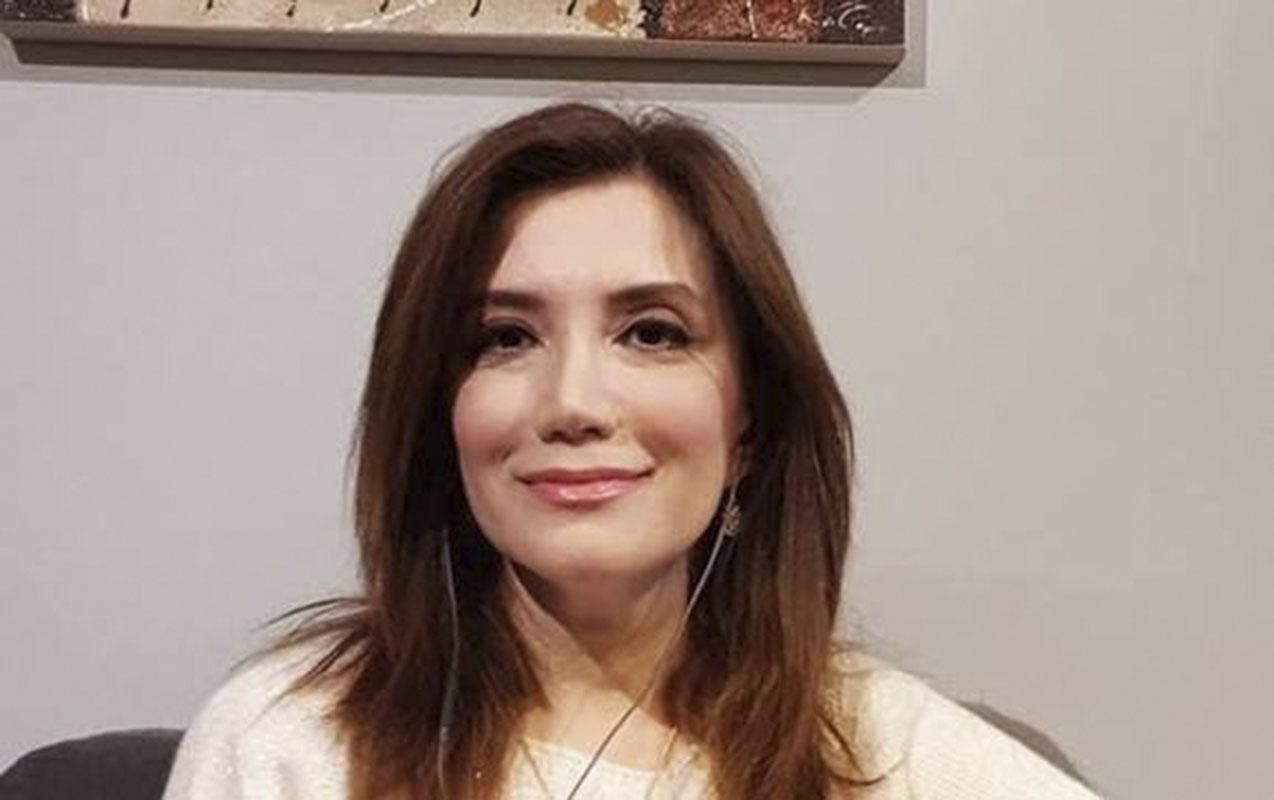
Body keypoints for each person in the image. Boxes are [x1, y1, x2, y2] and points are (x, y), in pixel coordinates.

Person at [160, 101, 1100, 800]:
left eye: (653, 333)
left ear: (751, 420)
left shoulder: (888, 754)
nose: (573, 403)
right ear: (440, 412)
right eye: (504, 338)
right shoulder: (290, 743)